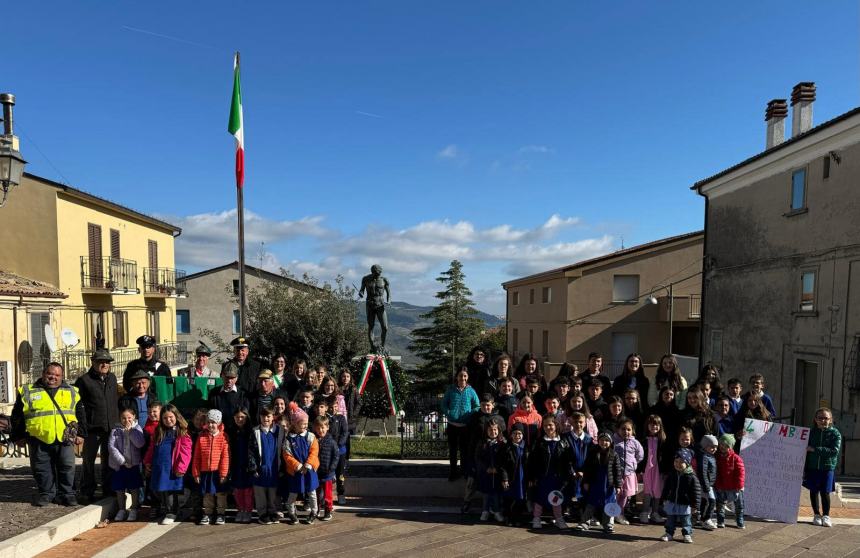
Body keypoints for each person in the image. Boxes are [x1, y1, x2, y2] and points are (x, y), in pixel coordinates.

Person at [11, 362, 83, 507]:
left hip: (65, 437)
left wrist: (81, 433)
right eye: (50, 374)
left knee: (67, 467)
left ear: (62, 377)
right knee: (41, 468)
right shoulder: (28, 391)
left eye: (57, 375)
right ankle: (46, 494)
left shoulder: (72, 391)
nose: (53, 377)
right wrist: (18, 436)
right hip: (38, 437)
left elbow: (81, 414)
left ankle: (67, 494)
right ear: (43, 374)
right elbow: (17, 416)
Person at [75, 348, 120, 504]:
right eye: (101, 362)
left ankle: (108, 489)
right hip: (92, 429)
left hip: (110, 428)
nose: (104, 365)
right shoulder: (84, 380)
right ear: (93, 362)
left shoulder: (113, 378)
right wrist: (81, 428)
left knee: (109, 461)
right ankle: (87, 490)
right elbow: (77, 405)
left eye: (107, 362)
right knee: (88, 461)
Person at [143, 403, 192, 525]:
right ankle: (166, 508)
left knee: (170, 491)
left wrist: (181, 467)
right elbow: (151, 448)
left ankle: (172, 511)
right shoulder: (159, 432)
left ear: (176, 416)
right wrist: (147, 461)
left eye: (171, 417)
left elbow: (186, 452)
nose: (168, 420)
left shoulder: (182, 433)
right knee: (160, 490)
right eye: (165, 418)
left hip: (173, 468)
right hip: (160, 467)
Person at [463, 393, 507, 513]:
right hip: (479, 453)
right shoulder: (475, 418)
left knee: (495, 481)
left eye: (488, 405)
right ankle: (467, 501)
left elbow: (503, 436)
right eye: (483, 405)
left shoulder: (499, 418)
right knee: (472, 480)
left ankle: (496, 506)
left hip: (494, 453)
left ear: (492, 405)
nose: (485, 408)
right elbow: (470, 439)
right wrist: (470, 457)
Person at [527, 416, 571, 530]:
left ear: (556, 425)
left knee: (557, 498)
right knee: (540, 497)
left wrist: (567, 476)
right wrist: (532, 476)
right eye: (545, 425)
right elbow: (532, 460)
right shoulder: (539, 442)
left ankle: (559, 519)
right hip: (543, 476)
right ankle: (536, 518)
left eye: (550, 425)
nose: (548, 427)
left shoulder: (563, 441)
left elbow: (567, 461)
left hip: (557, 476)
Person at [804, 407, 842, 528]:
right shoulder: (810, 433)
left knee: (825, 492)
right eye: (820, 418)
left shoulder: (835, 433)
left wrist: (815, 449)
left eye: (826, 418)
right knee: (813, 491)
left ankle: (826, 515)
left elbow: (833, 451)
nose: (823, 420)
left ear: (830, 420)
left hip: (827, 467)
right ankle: (816, 514)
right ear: (815, 419)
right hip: (813, 466)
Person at [191, 409, 230, 525]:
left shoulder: (224, 437)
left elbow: (225, 457)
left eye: (213, 422)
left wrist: (223, 474)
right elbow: (196, 456)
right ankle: (207, 513)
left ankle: (221, 513)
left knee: (220, 494)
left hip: (218, 472)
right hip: (205, 471)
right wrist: (196, 473)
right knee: (207, 493)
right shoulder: (201, 437)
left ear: (218, 423)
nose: (211, 425)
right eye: (209, 422)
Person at [441, 367, 480, 481]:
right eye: (460, 375)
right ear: (457, 377)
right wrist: (449, 412)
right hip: (452, 425)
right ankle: (453, 472)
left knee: (464, 451)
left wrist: (470, 414)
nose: (462, 378)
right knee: (453, 451)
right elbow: (443, 404)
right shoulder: (451, 390)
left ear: (467, 377)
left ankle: (464, 472)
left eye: (465, 376)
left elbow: (477, 406)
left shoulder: (471, 391)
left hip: (465, 427)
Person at [579, 431, 622, 533]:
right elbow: (587, 469)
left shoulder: (614, 454)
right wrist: (586, 481)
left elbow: (617, 471)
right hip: (595, 482)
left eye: (607, 440)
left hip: (609, 484)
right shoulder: (593, 453)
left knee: (608, 504)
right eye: (602, 440)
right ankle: (585, 522)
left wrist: (618, 485)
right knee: (591, 503)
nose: (604, 442)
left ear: (610, 442)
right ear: (598, 441)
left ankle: (607, 524)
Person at [283, 406, 320, 525]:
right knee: (293, 493)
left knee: (312, 492)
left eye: (306, 423)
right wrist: (298, 466)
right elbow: (287, 455)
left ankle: (314, 512)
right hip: (295, 471)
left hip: (309, 470)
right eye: (302, 423)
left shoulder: (311, 437)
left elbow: (314, 451)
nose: (305, 426)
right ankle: (291, 511)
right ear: (294, 424)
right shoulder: (289, 439)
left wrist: (308, 464)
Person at [108, 407, 146, 521]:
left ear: (134, 417)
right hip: (119, 465)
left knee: (134, 488)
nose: (126, 420)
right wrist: (122, 461)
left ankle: (134, 509)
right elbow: (112, 447)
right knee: (119, 489)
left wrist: (130, 433)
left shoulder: (137, 429)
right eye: (123, 418)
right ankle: (122, 509)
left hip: (133, 465)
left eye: (129, 418)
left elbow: (140, 444)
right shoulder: (115, 430)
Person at [660, 448, 701, 544]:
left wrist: (695, 505)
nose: (677, 464)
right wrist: (664, 498)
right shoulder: (672, 474)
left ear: (687, 463)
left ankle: (687, 534)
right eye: (676, 461)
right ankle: (669, 533)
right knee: (670, 519)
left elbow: (696, 492)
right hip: (672, 501)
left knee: (686, 520)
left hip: (685, 503)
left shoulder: (691, 476)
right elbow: (666, 487)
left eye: (681, 462)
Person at [248, 406, 281, 525]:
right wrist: (253, 467)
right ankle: (262, 513)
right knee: (260, 492)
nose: (266, 418)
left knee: (272, 492)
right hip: (260, 468)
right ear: (260, 417)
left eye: (268, 416)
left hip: (274, 468)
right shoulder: (255, 431)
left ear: (273, 417)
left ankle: (272, 512)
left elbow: (284, 449)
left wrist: (282, 468)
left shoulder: (279, 431)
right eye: (263, 416)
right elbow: (251, 451)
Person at [336, 368, 360, 505]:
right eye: (343, 376)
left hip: (349, 420)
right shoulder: (338, 389)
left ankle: (346, 460)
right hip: (339, 420)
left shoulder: (354, 390)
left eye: (347, 376)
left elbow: (358, 403)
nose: (345, 378)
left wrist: (353, 415)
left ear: (350, 378)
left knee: (347, 441)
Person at [473, 421, 506, 522]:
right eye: (490, 430)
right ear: (486, 431)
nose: (493, 432)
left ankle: (497, 511)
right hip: (485, 473)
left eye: (495, 429)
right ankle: (485, 511)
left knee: (496, 494)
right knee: (486, 494)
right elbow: (478, 458)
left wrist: (497, 468)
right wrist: (485, 468)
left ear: (499, 430)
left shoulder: (502, 443)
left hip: (497, 474)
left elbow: (504, 459)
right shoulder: (482, 443)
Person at [612, 419, 643, 525]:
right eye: (623, 429)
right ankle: (612, 513)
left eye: (629, 429)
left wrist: (633, 463)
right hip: (617, 474)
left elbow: (640, 455)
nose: (626, 431)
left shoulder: (635, 443)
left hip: (629, 473)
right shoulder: (614, 441)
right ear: (618, 430)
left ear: (632, 431)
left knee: (625, 495)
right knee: (616, 494)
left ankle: (620, 514)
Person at [638, 414, 668, 524]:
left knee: (657, 491)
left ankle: (655, 513)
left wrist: (665, 470)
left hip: (658, 470)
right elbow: (640, 456)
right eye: (651, 425)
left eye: (657, 425)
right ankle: (644, 512)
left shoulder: (663, 441)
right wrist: (639, 469)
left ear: (660, 427)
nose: (654, 427)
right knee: (647, 491)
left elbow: (666, 457)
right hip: (647, 469)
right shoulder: (642, 440)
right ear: (647, 426)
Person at [563, 412, 591, 522]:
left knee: (583, 494)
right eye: (575, 422)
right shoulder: (566, 438)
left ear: (584, 423)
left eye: (580, 422)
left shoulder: (589, 440)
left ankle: (583, 515)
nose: (578, 424)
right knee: (569, 493)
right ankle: (568, 512)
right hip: (570, 473)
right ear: (571, 422)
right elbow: (565, 457)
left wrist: (584, 472)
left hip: (583, 474)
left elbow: (590, 459)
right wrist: (572, 471)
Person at [714, 433, 745, 529]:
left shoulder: (736, 458)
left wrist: (739, 485)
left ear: (730, 446)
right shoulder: (717, 457)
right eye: (721, 445)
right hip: (722, 486)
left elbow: (741, 472)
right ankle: (720, 520)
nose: (722, 447)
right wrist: (717, 484)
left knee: (739, 505)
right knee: (720, 504)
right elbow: (716, 472)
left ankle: (739, 519)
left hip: (735, 487)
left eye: (725, 445)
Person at [358, 264, 391, 352]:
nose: (375, 275)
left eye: (377, 273)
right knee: (371, 326)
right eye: (374, 273)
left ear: (380, 272)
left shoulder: (384, 280)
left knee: (385, 327)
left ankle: (382, 347)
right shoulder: (365, 279)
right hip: (370, 305)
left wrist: (389, 301)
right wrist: (360, 293)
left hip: (380, 305)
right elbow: (361, 290)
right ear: (372, 272)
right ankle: (372, 347)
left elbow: (389, 293)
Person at [229, 409, 254, 523]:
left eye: (242, 417)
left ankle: (248, 510)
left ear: (247, 417)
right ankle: (240, 509)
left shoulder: (251, 431)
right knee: (237, 490)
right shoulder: (231, 431)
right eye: (237, 417)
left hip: (248, 464)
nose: (239, 419)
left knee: (247, 490)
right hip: (235, 464)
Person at [501, 423, 529, 526]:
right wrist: (505, 479)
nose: (517, 436)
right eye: (515, 433)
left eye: (519, 433)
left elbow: (530, 464)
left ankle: (517, 518)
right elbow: (503, 465)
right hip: (511, 477)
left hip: (522, 478)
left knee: (520, 499)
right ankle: (508, 517)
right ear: (511, 435)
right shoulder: (507, 448)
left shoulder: (526, 447)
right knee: (509, 498)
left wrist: (530, 478)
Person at [207, 363, 248, 433]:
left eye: (232, 378)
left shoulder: (243, 394)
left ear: (237, 378)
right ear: (222, 376)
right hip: (218, 433)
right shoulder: (214, 393)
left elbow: (246, 416)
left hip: (238, 433)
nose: (229, 380)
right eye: (227, 377)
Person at [312, 415, 339, 522]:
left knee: (327, 494)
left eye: (323, 427)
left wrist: (331, 469)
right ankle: (317, 509)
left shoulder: (331, 441)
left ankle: (328, 511)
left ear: (327, 427)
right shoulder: (313, 440)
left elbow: (336, 456)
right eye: (318, 428)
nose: (320, 430)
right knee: (317, 493)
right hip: (316, 472)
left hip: (327, 473)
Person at [698, 435, 718, 530]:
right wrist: (706, 485)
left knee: (705, 501)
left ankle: (702, 518)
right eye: (712, 446)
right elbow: (703, 471)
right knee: (711, 501)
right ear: (705, 446)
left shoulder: (710, 456)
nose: (714, 449)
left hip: (709, 484)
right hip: (706, 484)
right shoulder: (704, 457)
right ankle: (707, 519)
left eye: (715, 447)